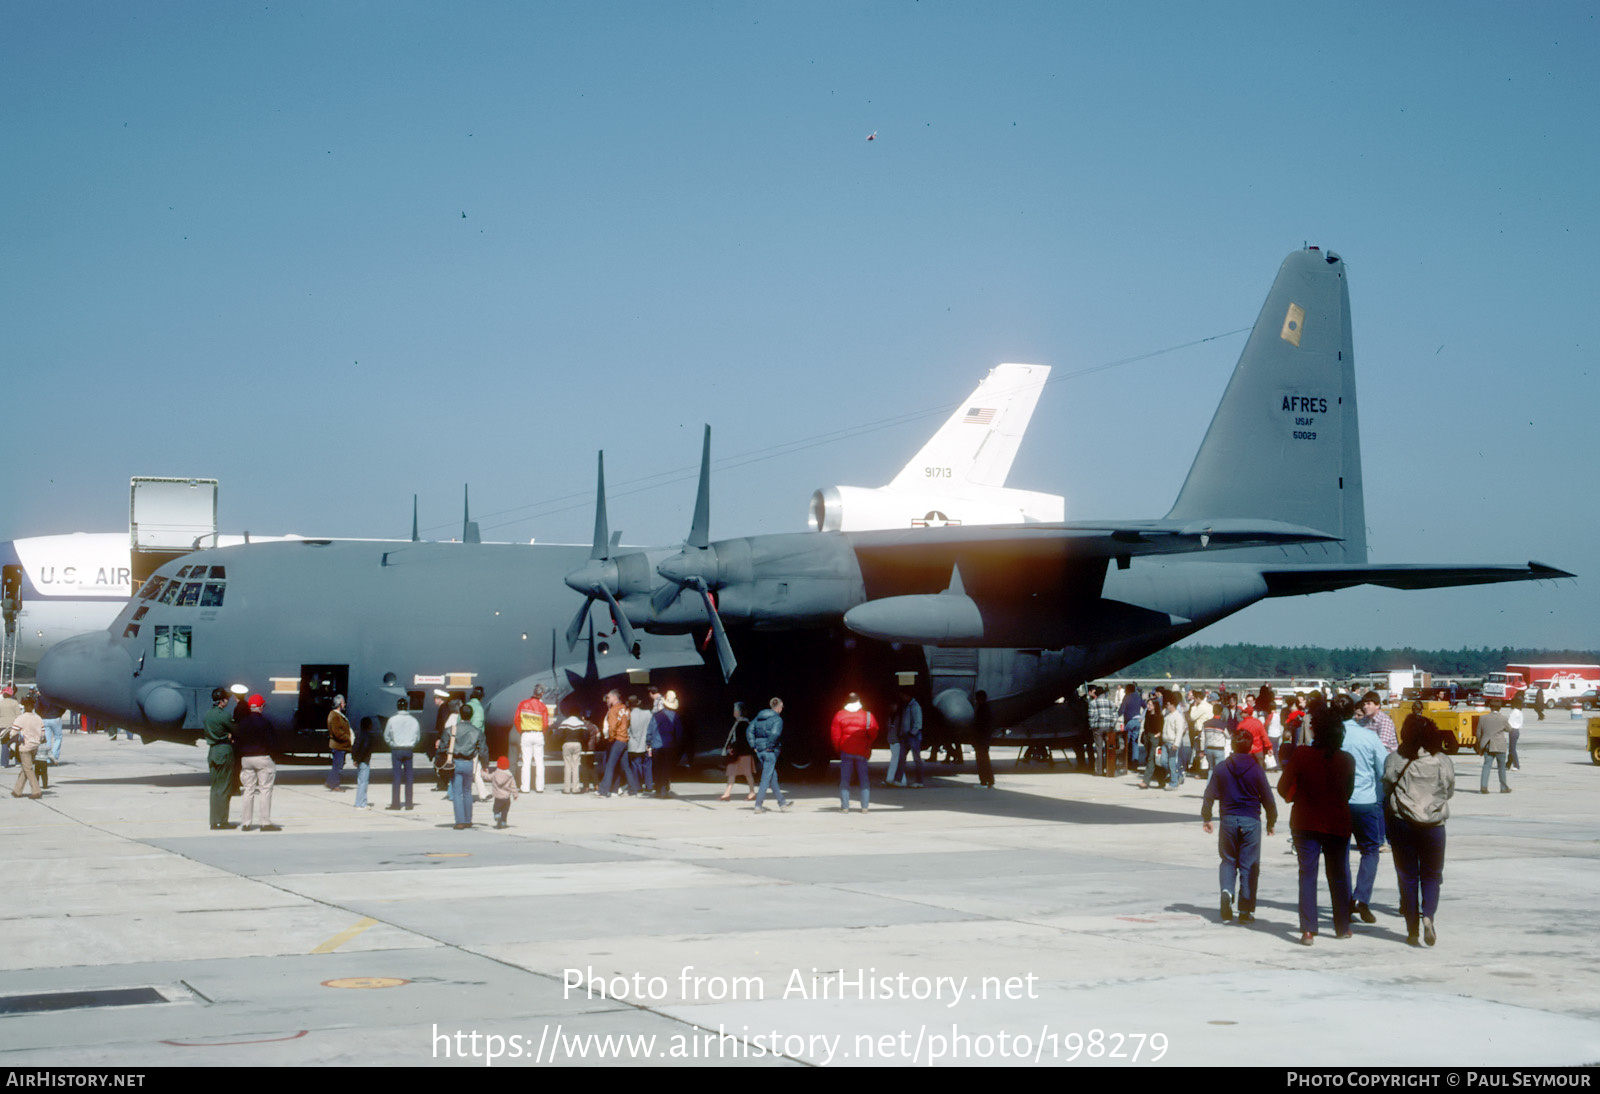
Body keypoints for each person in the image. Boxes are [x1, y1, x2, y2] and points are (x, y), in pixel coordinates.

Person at [1278, 705, 1355, 945]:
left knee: (1308, 874)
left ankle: (1308, 929)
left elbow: (1283, 786)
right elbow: (1348, 791)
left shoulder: (1302, 755)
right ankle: (1342, 926)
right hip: (1336, 821)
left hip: (1305, 820)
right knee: (1339, 874)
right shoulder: (1346, 760)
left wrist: (1296, 796)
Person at [1385, 713, 1455, 946]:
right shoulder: (1442, 761)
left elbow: (1386, 786)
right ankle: (1428, 916)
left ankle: (1412, 928)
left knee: (1407, 876)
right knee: (1432, 875)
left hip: (1402, 822)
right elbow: (1449, 790)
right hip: (1434, 824)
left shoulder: (1395, 759)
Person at [1202, 730, 1278, 924]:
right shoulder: (1256, 769)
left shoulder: (1221, 768)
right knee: (1249, 866)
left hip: (1228, 820)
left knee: (1228, 860)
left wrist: (1207, 817)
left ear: (1232, 745)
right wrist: (1271, 821)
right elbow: (1268, 799)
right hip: (1251, 821)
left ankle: (1227, 890)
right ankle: (1245, 910)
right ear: (1250, 746)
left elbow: (1209, 794)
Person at [1340, 694, 1389, 925]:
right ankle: (1361, 897)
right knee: (1370, 851)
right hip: (1365, 800)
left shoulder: (1330, 736)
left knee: (1340, 854)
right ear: (1355, 711)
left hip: (1338, 802)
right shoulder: (1368, 737)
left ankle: (1343, 902)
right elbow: (1384, 768)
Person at [235, 693, 280, 831]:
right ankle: (265, 822)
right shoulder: (265, 723)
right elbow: (272, 742)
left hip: (246, 759)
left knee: (248, 790)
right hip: (262, 758)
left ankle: (246, 823)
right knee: (265, 790)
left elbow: (237, 742)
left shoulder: (243, 723)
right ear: (261, 707)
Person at [831, 692, 876, 813]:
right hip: (862, 751)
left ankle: (845, 807)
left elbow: (835, 735)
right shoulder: (867, 715)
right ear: (859, 701)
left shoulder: (839, 715)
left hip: (846, 751)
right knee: (864, 779)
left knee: (845, 780)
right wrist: (867, 745)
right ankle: (865, 807)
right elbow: (874, 731)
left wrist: (838, 748)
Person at [203, 687, 237, 829]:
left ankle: (213, 820)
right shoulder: (224, 715)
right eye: (226, 699)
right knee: (224, 787)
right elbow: (235, 730)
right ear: (222, 701)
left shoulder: (207, 715)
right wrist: (228, 736)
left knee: (215, 787)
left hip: (213, 752)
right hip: (224, 751)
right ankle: (222, 821)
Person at [748, 697, 789, 813]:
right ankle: (758, 805)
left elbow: (749, 730)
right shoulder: (777, 720)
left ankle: (782, 804)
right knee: (765, 779)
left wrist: (754, 746)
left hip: (760, 750)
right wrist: (770, 747)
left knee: (772, 777)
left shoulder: (758, 717)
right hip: (769, 751)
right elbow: (775, 734)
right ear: (779, 708)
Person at [449, 705, 487, 829]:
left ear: (460, 714)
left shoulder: (452, 730)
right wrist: (485, 764)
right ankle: (468, 820)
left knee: (457, 792)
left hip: (456, 762)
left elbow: (443, 745)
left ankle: (460, 821)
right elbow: (483, 749)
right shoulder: (477, 731)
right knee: (467, 792)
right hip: (469, 763)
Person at [383, 697, 421, 811]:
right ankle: (409, 804)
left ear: (397, 707)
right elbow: (418, 737)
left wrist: (392, 744)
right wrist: (412, 744)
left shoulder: (392, 720)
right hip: (409, 749)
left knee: (396, 777)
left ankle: (395, 804)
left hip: (397, 749)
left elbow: (386, 736)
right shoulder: (414, 720)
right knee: (409, 777)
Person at [598, 690, 637, 798]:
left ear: (614, 697)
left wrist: (610, 739)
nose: (607, 700)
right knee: (625, 766)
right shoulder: (626, 709)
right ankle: (633, 790)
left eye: (609, 697)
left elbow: (612, 727)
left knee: (610, 766)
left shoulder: (613, 710)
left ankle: (604, 790)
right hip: (625, 739)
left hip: (617, 740)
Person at [647, 690, 685, 799]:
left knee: (657, 768)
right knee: (666, 768)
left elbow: (650, 730)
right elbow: (679, 733)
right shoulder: (675, 716)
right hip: (670, 746)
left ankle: (658, 789)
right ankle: (664, 790)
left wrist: (648, 743)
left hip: (657, 746)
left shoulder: (656, 715)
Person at [6, 694, 44, 799]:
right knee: (25, 767)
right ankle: (17, 791)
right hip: (35, 746)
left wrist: (9, 736)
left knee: (28, 769)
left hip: (25, 747)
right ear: (33, 706)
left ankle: (36, 791)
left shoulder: (21, 718)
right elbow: (42, 734)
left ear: (24, 706)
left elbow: (13, 733)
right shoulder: (38, 718)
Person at [513, 685, 549, 794]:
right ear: (542, 694)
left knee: (526, 762)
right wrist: (541, 733)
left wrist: (522, 731)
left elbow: (516, 720)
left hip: (526, 734)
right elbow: (545, 724)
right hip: (538, 734)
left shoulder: (522, 704)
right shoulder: (543, 707)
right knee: (539, 761)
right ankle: (540, 787)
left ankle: (525, 787)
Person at [719, 702, 756, 802]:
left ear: (740, 712)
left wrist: (732, 749)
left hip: (741, 753)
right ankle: (728, 793)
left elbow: (740, 740)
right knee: (737, 773)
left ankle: (751, 793)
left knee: (744, 774)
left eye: (735, 710)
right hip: (742, 752)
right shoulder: (743, 723)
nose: (734, 712)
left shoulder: (742, 724)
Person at [889, 689, 924, 788]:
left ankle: (919, 781)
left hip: (912, 736)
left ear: (907, 696)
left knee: (915, 759)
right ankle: (898, 779)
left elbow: (918, 723)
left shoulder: (914, 707)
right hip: (908, 735)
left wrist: (912, 733)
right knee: (903, 758)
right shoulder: (908, 706)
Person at [1476, 700, 1512, 794]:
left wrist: (1479, 746)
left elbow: (1478, 733)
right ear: (1500, 708)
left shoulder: (1483, 718)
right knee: (1501, 767)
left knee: (1486, 766)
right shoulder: (1503, 718)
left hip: (1487, 744)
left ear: (1490, 707)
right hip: (1500, 745)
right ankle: (1503, 787)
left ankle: (1483, 786)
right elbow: (1509, 729)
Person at [1087, 684, 1117, 777]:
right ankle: (1110, 769)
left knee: (1099, 749)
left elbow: (1091, 717)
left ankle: (1099, 771)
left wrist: (1092, 727)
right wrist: (1112, 726)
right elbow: (1115, 716)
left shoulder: (1093, 703)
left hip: (1098, 728)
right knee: (1109, 748)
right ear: (1103, 694)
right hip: (1108, 727)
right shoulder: (1110, 703)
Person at [626, 695, 653, 794]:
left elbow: (627, 731)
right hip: (647, 743)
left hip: (634, 745)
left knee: (635, 766)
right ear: (638, 703)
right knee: (648, 765)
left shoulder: (629, 715)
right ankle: (649, 785)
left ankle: (638, 786)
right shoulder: (648, 713)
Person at [326, 695, 351, 792]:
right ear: (339, 704)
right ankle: (335, 785)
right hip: (338, 745)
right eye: (343, 703)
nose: (344, 704)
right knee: (338, 766)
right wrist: (348, 738)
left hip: (340, 745)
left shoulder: (337, 714)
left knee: (337, 765)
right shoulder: (335, 715)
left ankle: (330, 782)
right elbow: (337, 732)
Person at [352, 715, 376, 809]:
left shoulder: (358, 734)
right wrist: (359, 759)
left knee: (360, 782)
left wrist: (354, 759)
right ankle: (361, 803)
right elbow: (365, 748)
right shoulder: (368, 736)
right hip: (364, 761)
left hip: (359, 760)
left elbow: (355, 747)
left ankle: (360, 802)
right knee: (363, 783)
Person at [972, 690, 995, 789]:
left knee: (981, 761)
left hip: (980, 740)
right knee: (985, 760)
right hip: (985, 739)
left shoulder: (981, 710)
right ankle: (989, 780)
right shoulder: (987, 709)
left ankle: (983, 781)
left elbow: (978, 726)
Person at [489, 756, 519, 828]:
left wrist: (482, 774)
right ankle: (503, 822)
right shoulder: (509, 775)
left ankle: (497, 816)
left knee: (496, 809)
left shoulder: (495, 773)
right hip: (506, 798)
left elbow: (488, 777)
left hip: (498, 797)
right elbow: (513, 786)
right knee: (505, 811)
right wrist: (515, 794)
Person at [36, 692, 64, 765]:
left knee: (47, 739)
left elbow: (37, 708)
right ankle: (54, 755)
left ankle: (48, 757)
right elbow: (63, 707)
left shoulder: (41, 697)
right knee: (58, 737)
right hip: (55, 717)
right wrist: (59, 714)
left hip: (45, 718)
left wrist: (42, 715)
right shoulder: (57, 697)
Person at [0, 685, 18, 769]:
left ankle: (4, 763)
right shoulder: (15, 702)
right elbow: (18, 715)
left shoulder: (1, 703)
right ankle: (18, 762)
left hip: (2, 725)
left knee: (4, 743)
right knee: (16, 743)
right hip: (13, 725)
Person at [1506, 693, 1525, 771]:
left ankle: (1516, 765)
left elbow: (1509, 723)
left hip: (1512, 730)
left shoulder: (1514, 712)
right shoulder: (1520, 712)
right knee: (1511, 748)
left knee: (1512, 749)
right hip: (1517, 730)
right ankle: (1508, 764)